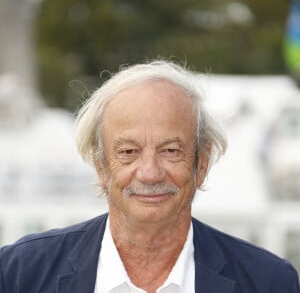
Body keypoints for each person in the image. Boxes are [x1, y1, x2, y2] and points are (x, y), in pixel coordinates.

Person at [0, 60, 299, 293]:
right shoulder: (18, 273)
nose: (150, 172)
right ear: (101, 165)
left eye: (170, 150)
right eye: (128, 152)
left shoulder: (268, 282)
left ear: (202, 162)